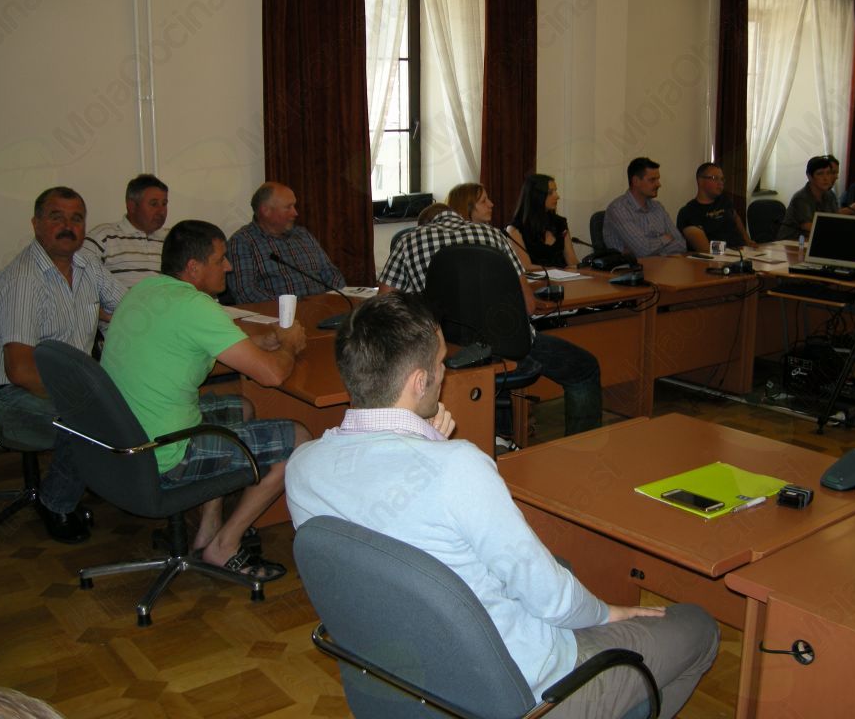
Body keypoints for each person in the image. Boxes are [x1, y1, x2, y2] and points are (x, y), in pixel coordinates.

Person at [285, 292, 719, 718]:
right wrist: (608, 613)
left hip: (403, 680)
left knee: (560, 568)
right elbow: (553, 601)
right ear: (419, 382)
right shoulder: (458, 468)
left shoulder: (303, 469)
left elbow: (391, 513)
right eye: (440, 364)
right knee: (698, 627)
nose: (444, 372)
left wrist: (428, 442)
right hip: (527, 692)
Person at [102, 220, 312, 578]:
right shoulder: (195, 306)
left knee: (242, 408)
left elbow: (183, 352)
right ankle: (223, 546)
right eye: (220, 259)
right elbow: (273, 375)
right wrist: (289, 345)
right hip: (165, 453)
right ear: (194, 268)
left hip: (126, 440)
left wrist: (251, 346)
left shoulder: (144, 291)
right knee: (299, 439)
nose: (228, 266)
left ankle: (208, 528)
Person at [0, 186, 124, 543]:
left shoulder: (87, 264)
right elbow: (21, 371)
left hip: (63, 384)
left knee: (119, 406)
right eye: (57, 217)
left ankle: (84, 478)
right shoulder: (24, 279)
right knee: (89, 420)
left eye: (77, 218)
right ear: (36, 224)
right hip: (8, 396)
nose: (68, 226)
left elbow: (128, 307)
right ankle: (55, 501)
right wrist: (85, 398)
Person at [378, 206, 602, 436]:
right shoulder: (493, 234)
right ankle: (584, 445)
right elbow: (529, 306)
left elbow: (385, 309)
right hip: (508, 348)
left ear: (423, 225)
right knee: (585, 368)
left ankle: (500, 435)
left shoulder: (407, 242)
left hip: (449, 354)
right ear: (457, 215)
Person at [226, 181, 345, 303]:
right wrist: (294, 306)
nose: (295, 213)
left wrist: (331, 301)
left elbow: (332, 275)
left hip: (323, 308)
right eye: (288, 207)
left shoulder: (303, 235)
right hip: (280, 313)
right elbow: (246, 292)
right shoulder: (242, 242)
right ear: (266, 210)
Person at [82, 173, 169, 287]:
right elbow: (79, 277)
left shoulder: (173, 239)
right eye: (154, 204)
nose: (161, 211)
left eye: (164, 204)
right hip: (121, 298)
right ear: (132, 206)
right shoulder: (103, 237)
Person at [604, 157, 687, 257]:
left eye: (658, 179)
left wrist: (653, 251)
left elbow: (681, 244)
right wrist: (665, 238)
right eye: (652, 180)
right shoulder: (619, 209)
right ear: (636, 181)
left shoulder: (658, 207)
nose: (659, 184)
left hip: (662, 264)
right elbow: (643, 250)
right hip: (629, 267)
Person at [776, 156, 855, 240]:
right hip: (791, 242)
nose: (826, 178)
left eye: (828, 173)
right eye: (820, 174)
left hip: (816, 239)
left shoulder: (830, 195)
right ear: (809, 176)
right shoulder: (801, 198)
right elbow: (808, 226)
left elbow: (835, 219)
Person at [506, 173, 579, 269]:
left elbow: (572, 261)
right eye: (550, 192)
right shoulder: (515, 229)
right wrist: (558, 270)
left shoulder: (560, 223)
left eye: (556, 191)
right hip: (539, 279)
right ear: (535, 196)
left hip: (565, 277)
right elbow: (526, 267)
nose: (557, 196)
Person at [677, 162, 755, 252]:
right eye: (715, 178)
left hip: (744, 252)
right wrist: (731, 250)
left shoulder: (724, 201)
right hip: (719, 257)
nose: (720, 183)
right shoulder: (688, 212)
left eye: (722, 179)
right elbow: (706, 250)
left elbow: (735, 217)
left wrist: (747, 241)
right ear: (700, 181)